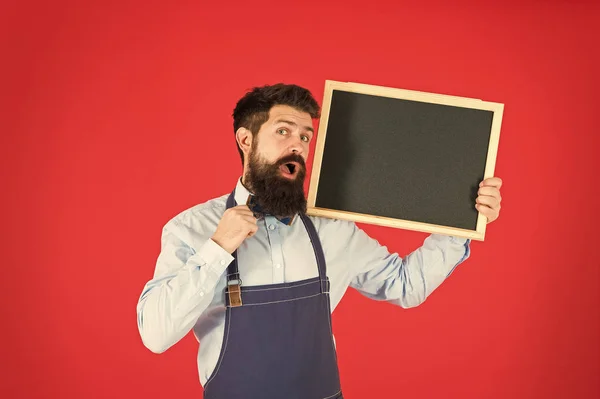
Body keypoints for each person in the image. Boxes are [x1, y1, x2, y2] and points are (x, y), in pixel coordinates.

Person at [136, 83, 503, 399]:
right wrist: (216, 249)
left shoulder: (330, 228)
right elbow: (156, 335)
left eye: (305, 136)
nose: (297, 144)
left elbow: (405, 286)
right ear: (245, 139)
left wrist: (462, 219)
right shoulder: (192, 229)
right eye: (283, 131)